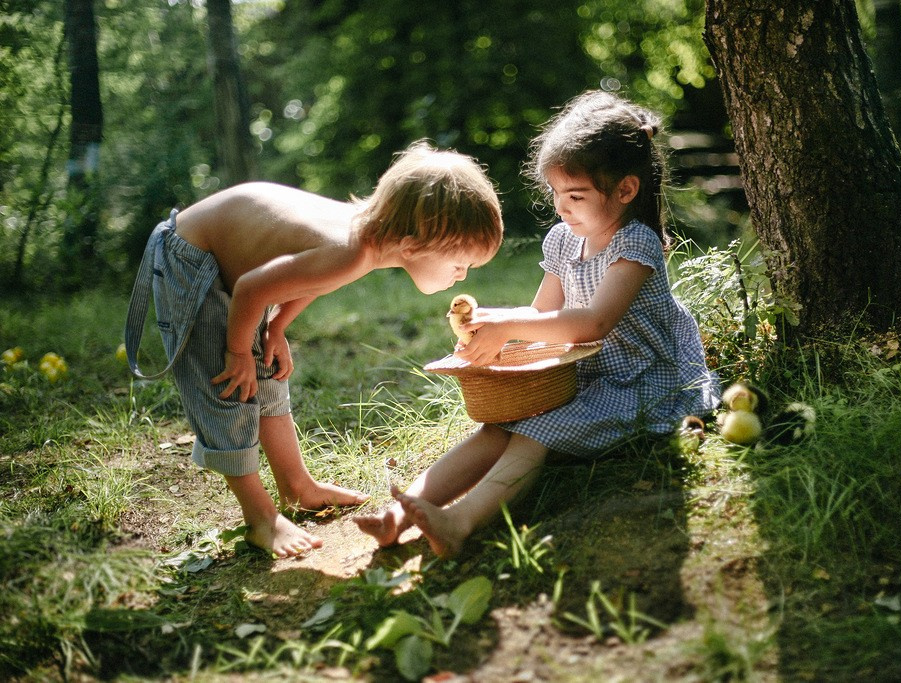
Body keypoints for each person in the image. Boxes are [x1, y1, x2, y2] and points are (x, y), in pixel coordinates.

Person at [355, 91, 719, 557]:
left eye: (576, 195)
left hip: (643, 380)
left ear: (626, 190)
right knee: (496, 427)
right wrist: (494, 321)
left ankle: (462, 522)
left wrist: (509, 328)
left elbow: (593, 323)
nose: (561, 207)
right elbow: (541, 313)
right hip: (584, 374)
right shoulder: (565, 241)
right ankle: (397, 517)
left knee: (532, 433)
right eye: (555, 193)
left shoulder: (636, 243)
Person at [124, 142, 504, 558]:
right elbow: (253, 287)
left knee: (266, 371)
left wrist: (276, 326)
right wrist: (237, 353)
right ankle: (260, 519)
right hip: (194, 261)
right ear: (412, 247)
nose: (462, 275)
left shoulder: (366, 241)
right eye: (460, 264)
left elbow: (309, 277)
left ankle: (297, 486)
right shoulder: (349, 251)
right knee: (229, 385)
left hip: (239, 267)